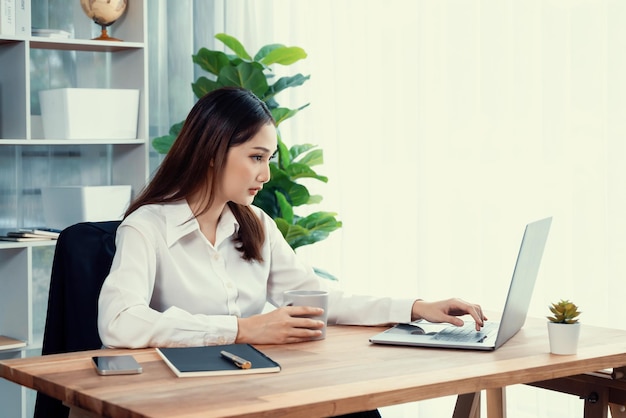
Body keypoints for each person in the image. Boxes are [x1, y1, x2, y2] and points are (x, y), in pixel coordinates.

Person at [97, 87, 486, 417]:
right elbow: (120, 322)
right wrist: (241, 329)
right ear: (213, 151)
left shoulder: (256, 224)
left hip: (252, 388)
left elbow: (316, 302)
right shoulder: (147, 227)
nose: (265, 175)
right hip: (184, 401)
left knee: (355, 408)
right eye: (255, 157)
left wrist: (415, 308)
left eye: (269, 159)